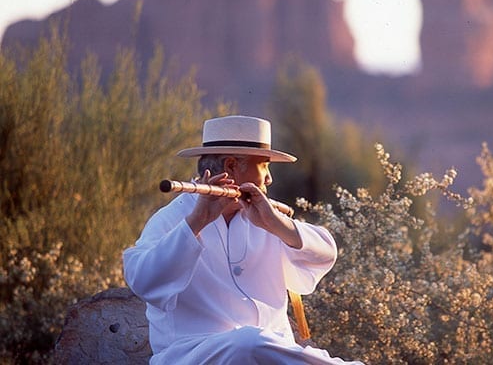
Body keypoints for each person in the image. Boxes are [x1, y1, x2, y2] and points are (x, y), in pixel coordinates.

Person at [123, 115, 362, 364]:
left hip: (271, 351)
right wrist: (197, 222)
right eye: (264, 165)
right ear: (231, 166)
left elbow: (326, 253)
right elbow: (143, 281)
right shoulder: (172, 218)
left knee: (253, 343)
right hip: (193, 354)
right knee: (246, 343)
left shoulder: (264, 214)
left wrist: (277, 224)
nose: (269, 179)